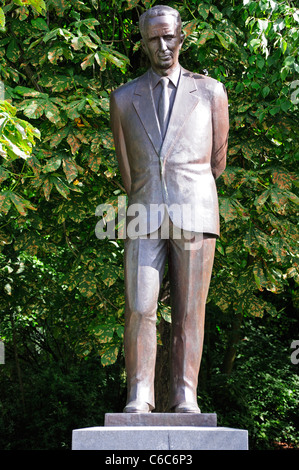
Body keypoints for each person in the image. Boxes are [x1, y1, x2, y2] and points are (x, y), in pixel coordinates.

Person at [110, 5, 229, 413]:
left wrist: (184, 188)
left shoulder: (211, 91)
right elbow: (127, 170)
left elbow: (217, 161)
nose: (162, 46)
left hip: (195, 210)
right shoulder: (124, 98)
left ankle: (184, 395)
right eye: (153, 39)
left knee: (189, 312)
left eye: (169, 37)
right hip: (143, 214)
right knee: (140, 306)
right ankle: (139, 395)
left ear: (182, 37)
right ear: (143, 43)